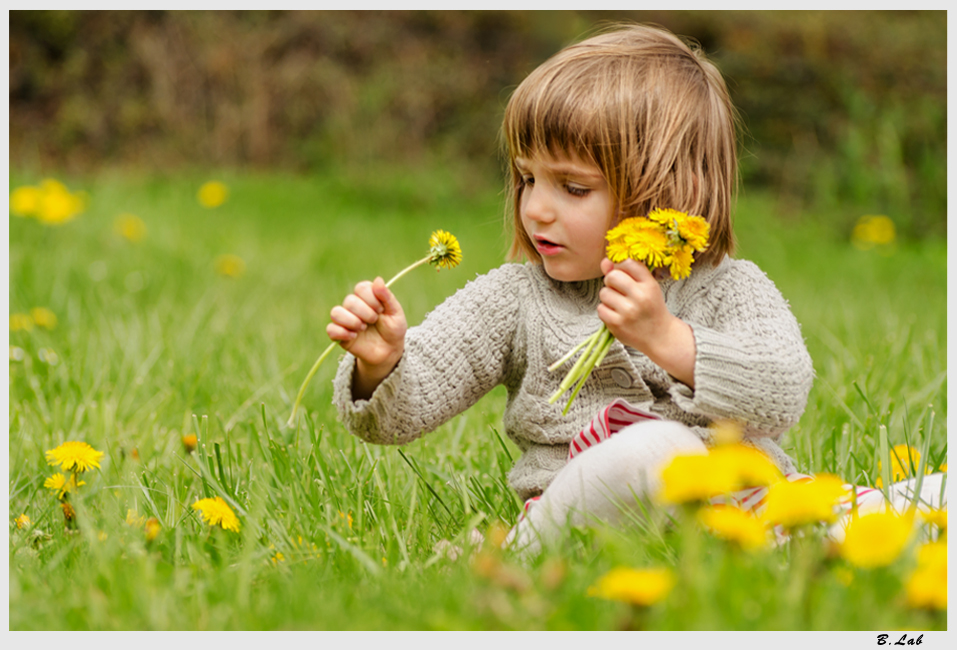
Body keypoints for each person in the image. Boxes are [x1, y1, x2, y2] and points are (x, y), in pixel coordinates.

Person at [325, 24, 943, 555]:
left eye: (572, 188)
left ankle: (800, 547)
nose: (537, 209)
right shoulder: (517, 298)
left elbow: (783, 390)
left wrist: (670, 341)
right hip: (588, 513)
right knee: (655, 448)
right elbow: (404, 412)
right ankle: (522, 556)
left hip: (745, 509)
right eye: (526, 178)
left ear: (666, 190)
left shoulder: (731, 287)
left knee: (930, 498)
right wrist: (381, 365)